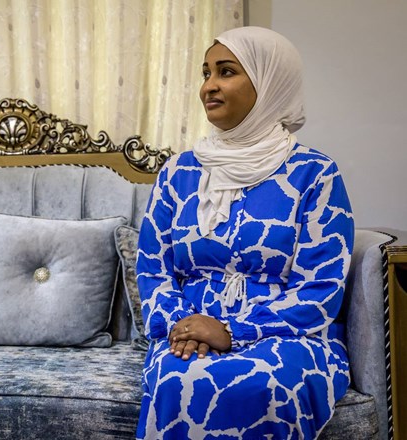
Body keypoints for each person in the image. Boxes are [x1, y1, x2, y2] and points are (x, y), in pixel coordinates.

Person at [135, 26, 354, 439]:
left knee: (263, 385)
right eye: (206, 73)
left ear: (270, 82)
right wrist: (185, 327)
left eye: (226, 71)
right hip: (189, 332)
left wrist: (232, 332)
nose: (209, 86)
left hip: (289, 335)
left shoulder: (314, 173)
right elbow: (152, 269)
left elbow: (320, 287)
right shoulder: (179, 172)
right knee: (180, 380)